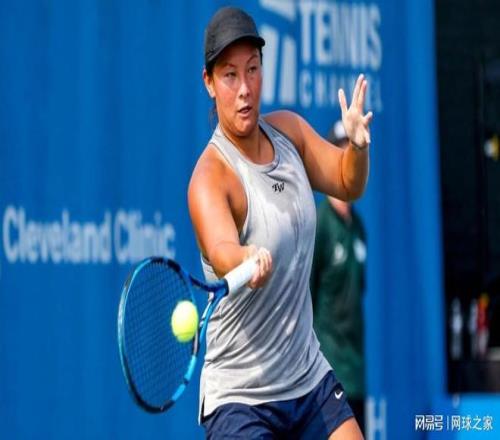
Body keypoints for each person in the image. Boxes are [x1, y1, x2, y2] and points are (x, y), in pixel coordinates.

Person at [188, 6, 372, 439]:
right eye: (230, 75)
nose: (245, 88)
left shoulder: (289, 131)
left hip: (307, 378)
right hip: (240, 397)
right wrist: (245, 258)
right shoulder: (210, 179)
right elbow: (221, 250)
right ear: (209, 82)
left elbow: (348, 182)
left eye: (252, 69)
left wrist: (357, 148)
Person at [310, 120, 368, 433]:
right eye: (343, 151)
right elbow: (304, 297)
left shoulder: (358, 228)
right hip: (325, 374)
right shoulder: (319, 225)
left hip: (356, 372)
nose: (350, 158)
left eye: (354, 151)